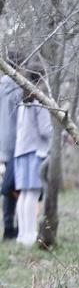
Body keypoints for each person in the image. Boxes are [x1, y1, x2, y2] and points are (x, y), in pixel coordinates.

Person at [12, 64, 52, 247]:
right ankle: (30, 234)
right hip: (35, 152)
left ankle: (22, 234)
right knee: (33, 194)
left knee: (24, 194)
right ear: (41, 79)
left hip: (20, 152)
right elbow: (46, 131)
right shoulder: (38, 101)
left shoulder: (22, 101)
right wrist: (59, 133)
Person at [0, 53, 22, 241]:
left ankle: (9, 227)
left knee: (9, 186)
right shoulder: (21, 88)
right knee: (17, 186)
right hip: (19, 143)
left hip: (3, 144)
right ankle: (14, 228)